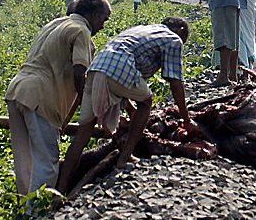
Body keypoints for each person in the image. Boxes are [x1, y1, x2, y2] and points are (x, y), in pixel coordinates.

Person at [57, 18, 193, 191]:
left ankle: (61, 187)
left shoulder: (142, 29)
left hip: (97, 69)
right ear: (180, 30)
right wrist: (186, 119)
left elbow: (123, 82)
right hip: (118, 67)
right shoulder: (173, 38)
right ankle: (125, 157)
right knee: (147, 102)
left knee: (83, 134)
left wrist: (130, 109)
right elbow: (175, 82)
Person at [5, 0, 110, 196]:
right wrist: (91, 105)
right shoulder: (81, 31)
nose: (103, 26)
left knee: (24, 159)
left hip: (18, 89)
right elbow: (80, 71)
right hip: (41, 96)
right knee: (46, 162)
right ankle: (38, 213)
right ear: (94, 14)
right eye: (103, 19)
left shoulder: (56, 23)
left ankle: (23, 211)